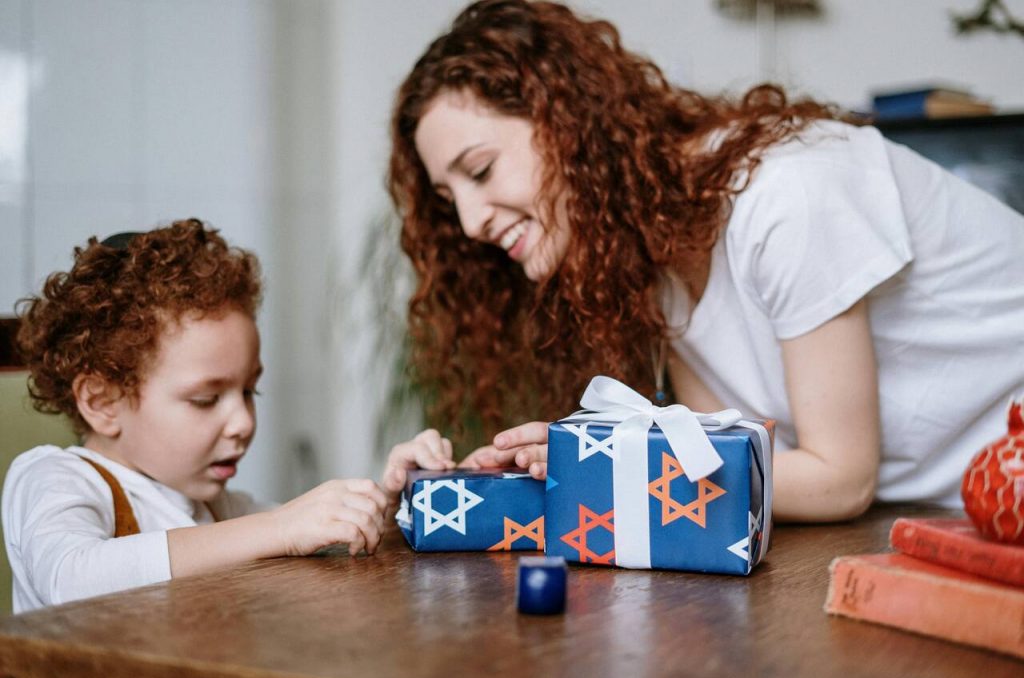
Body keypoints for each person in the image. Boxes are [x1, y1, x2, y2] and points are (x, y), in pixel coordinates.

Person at [381, 0, 1024, 522]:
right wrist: (481, 485)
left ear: (566, 123)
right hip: (951, 521)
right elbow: (728, 462)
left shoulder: (787, 194)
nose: (471, 224)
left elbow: (838, 480)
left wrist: (602, 463)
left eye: (481, 170)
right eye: (449, 199)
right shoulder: (652, 263)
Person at [3, 219, 387, 613]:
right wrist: (279, 528)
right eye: (206, 399)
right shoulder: (56, 478)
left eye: (248, 391)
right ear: (102, 402)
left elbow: (319, 530)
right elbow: (69, 580)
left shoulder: (216, 506)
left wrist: (390, 498)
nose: (244, 423)